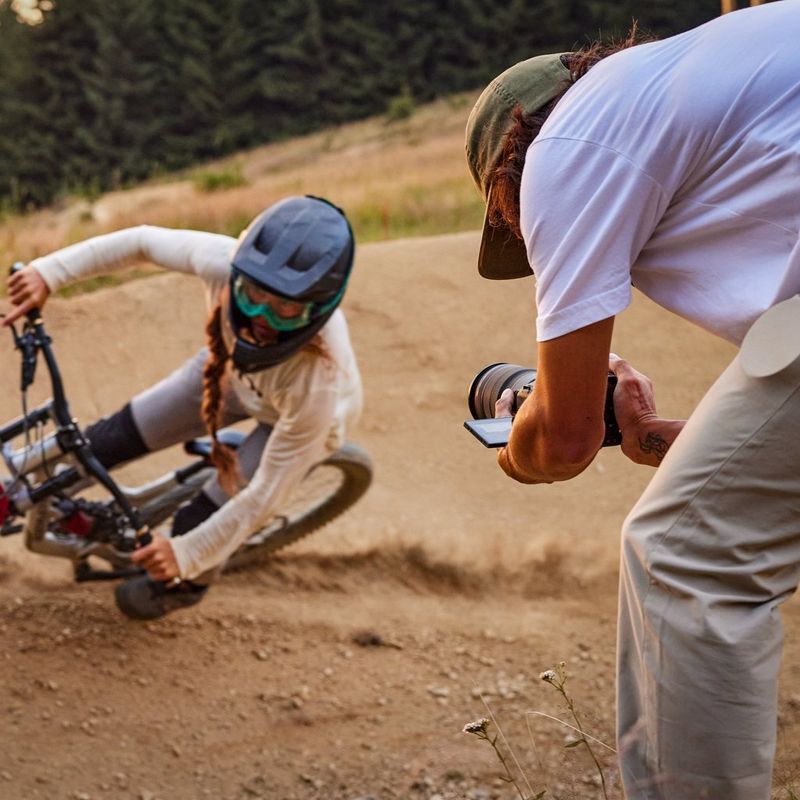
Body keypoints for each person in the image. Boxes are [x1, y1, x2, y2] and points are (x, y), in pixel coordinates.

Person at [465, 3, 800, 799]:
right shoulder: (706, 83)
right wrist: (675, 446)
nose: (527, 233)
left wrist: (517, 439)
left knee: (683, 553)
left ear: (511, 170)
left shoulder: (565, 147)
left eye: (511, 220)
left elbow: (565, 440)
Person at [3, 195, 363, 621]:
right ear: (240, 272)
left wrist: (187, 555)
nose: (262, 317)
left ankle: (189, 588)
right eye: (253, 294)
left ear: (318, 311)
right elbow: (142, 243)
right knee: (107, 440)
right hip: (226, 371)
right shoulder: (224, 263)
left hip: (290, 420)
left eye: (286, 307)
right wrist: (49, 272)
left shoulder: (320, 384)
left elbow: (265, 496)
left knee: (196, 521)